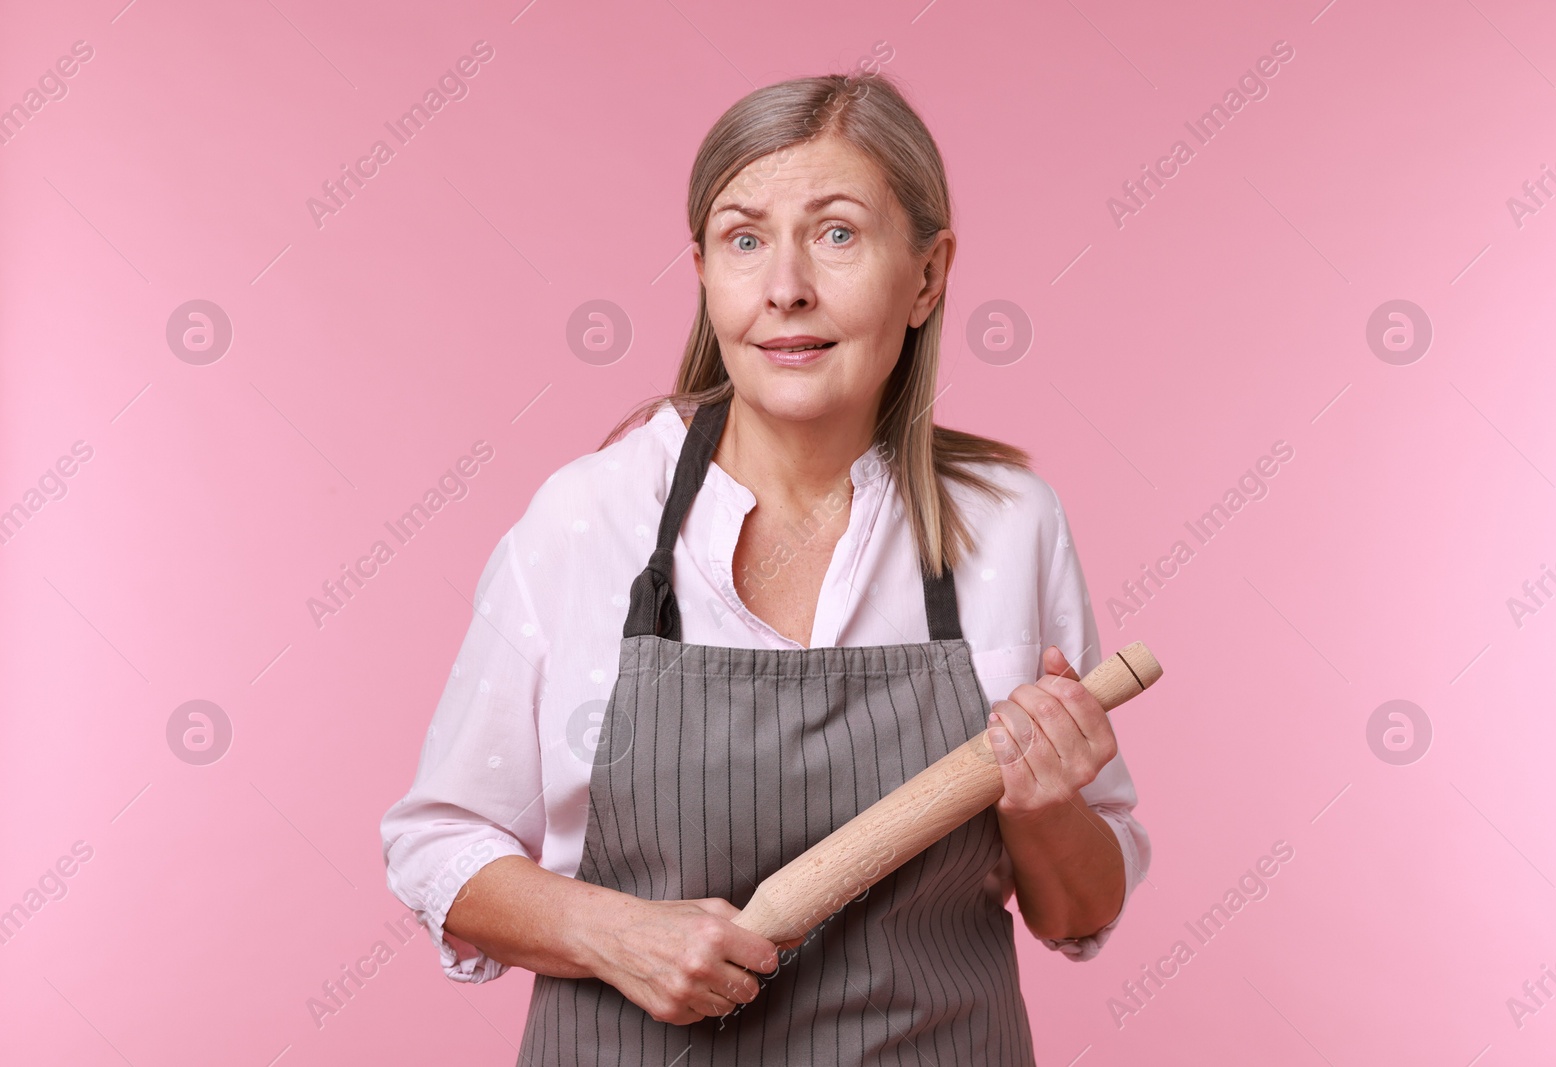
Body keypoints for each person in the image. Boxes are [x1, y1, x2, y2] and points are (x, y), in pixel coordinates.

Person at [379, 71, 1151, 1066]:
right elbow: (441, 845)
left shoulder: (1005, 525)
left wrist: (1046, 806)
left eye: (837, 233)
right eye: (746, 239)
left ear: (926, 275)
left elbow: (1078, 909)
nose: (785, 284)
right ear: (704, 270)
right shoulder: (589, 519)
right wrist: (612, 933)